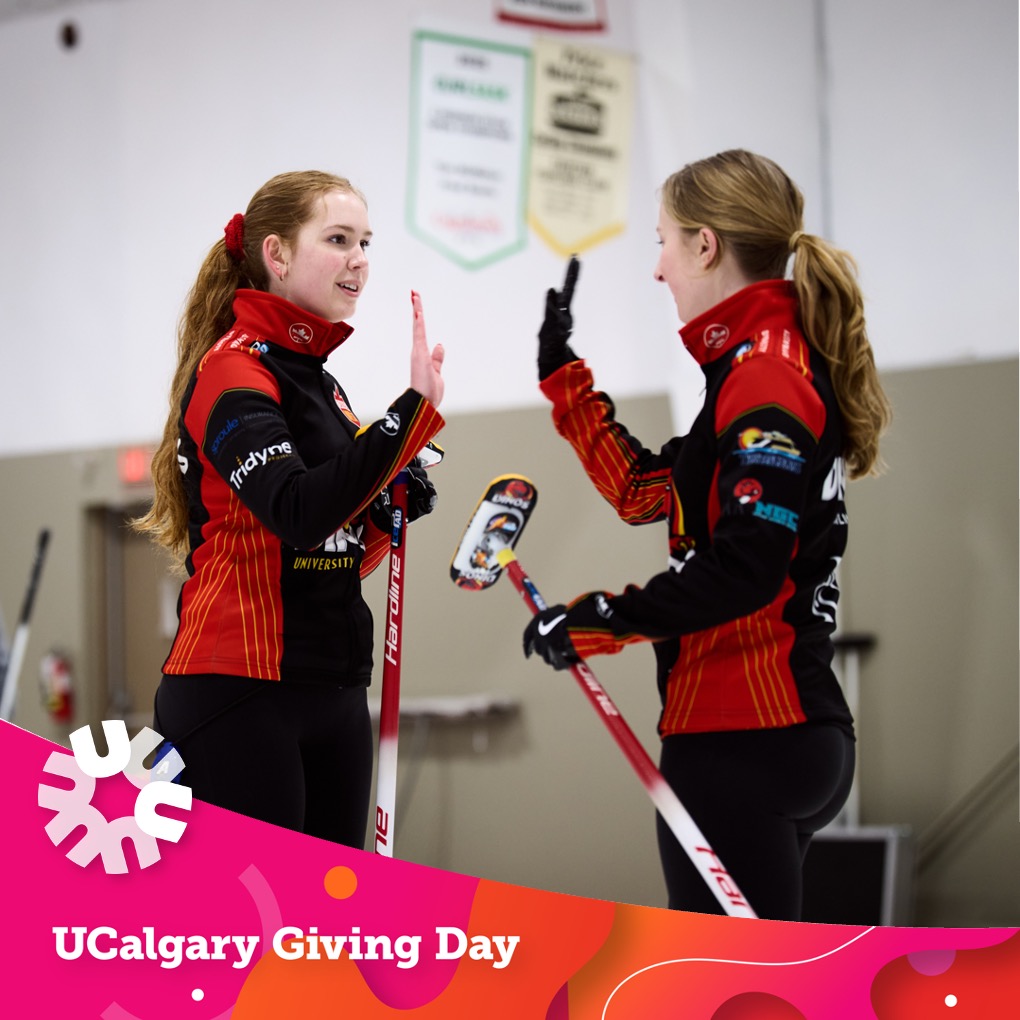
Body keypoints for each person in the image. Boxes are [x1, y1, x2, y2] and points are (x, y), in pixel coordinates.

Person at [522, 149, 891, 920]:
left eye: (663, 240)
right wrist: (565, 378)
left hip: (744, 736)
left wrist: (598, 622)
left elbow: (747, 567)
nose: (658, 269)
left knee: (728, 990)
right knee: (757, 987)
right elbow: (646, 491)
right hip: (782, 736)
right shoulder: (754, 367)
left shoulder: (765, 374)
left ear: (705, 246)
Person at [134, 170, 445, 848]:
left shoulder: (321, 384)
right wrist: (406, 420)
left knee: (322, 934)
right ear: (276, 255)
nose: (359, 258)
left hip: (330, 683)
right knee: (255, 940)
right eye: (337, 239)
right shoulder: (232, 371)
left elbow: (322, 550)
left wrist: (387, 512)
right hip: (238, 689)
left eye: (365, 241)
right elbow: (297, 512)